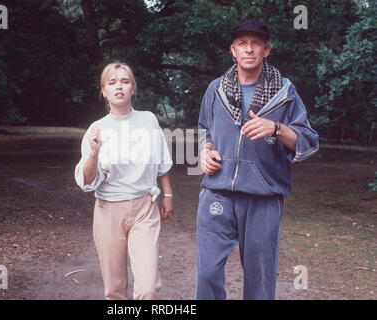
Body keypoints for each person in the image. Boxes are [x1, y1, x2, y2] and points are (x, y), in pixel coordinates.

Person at [196, 20, 319, 300]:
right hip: (217, 191)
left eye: (256, 44)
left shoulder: (285, 93)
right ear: (233, 50)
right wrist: (205, 150)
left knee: (260, 282)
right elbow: (205, 128)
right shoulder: (216, 89)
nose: (249, 49)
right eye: (242, 43)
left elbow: (308, 142)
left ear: (267, 50)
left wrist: (276, 128)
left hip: (264, 196)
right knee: (206, 274)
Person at [74, 62, 174, 300]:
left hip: (144, 209)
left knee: (148, 288)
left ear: (133, 89)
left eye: (125, 81)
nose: (119, 86)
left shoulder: (148, 120)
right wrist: (94, 153)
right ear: (104, 92)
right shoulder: (96, 129)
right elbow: (86, 180)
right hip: (108, 211)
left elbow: (161, 161)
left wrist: (167, 194)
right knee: (115, 290)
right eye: (112, 82)